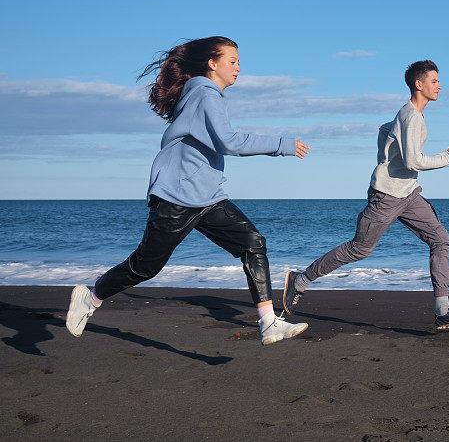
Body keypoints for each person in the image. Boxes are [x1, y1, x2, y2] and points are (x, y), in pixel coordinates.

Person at [66, 36, 309, 345]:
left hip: (206, 196)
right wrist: (282, 144)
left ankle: (268, 322)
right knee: (145, 266)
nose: (238, 68)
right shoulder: (206, 95)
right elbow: (229, 142)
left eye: (238, 62)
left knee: (253, 243)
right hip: (176, 197)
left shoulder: (206, 95)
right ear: (212, 63)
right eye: (232, 61)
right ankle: (91, 297)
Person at [282, 60, 449, 331]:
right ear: (418, 85)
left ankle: (443, 311)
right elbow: (412, 160)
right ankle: (300, 281)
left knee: (440, 238)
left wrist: (385, 158)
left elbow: (384, 131)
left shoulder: (409, 116)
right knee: (360, 249)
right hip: (386, 196)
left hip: (408, 193)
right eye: (434, 81)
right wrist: (447, 158)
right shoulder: (411, 116)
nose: (439, 86)